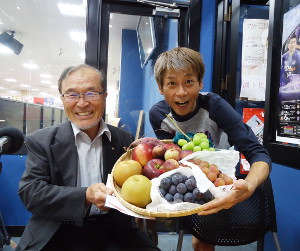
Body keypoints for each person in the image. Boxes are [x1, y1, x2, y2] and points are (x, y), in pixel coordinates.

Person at [16, 64, 160, 251]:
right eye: (72, 94)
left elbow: (132, 185)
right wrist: (85, 196)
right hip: (58, 229)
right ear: (62, 98)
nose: (82, 103)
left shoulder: (123, 139)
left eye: (91, 93)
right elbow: (31, 193)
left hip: (113, 229)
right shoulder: (42, 141)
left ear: (105, 97)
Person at [149, 47, 271, 251]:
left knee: (201, 242)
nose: (181, 92)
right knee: (144, 217)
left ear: (200, 83)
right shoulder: (158, 115)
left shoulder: (215, 106)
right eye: (172, 83)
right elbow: (170, 157)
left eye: (189, 81)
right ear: (160, 87)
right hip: (184, 183)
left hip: (216, 183)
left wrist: (249, 185)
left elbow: (258, 153)